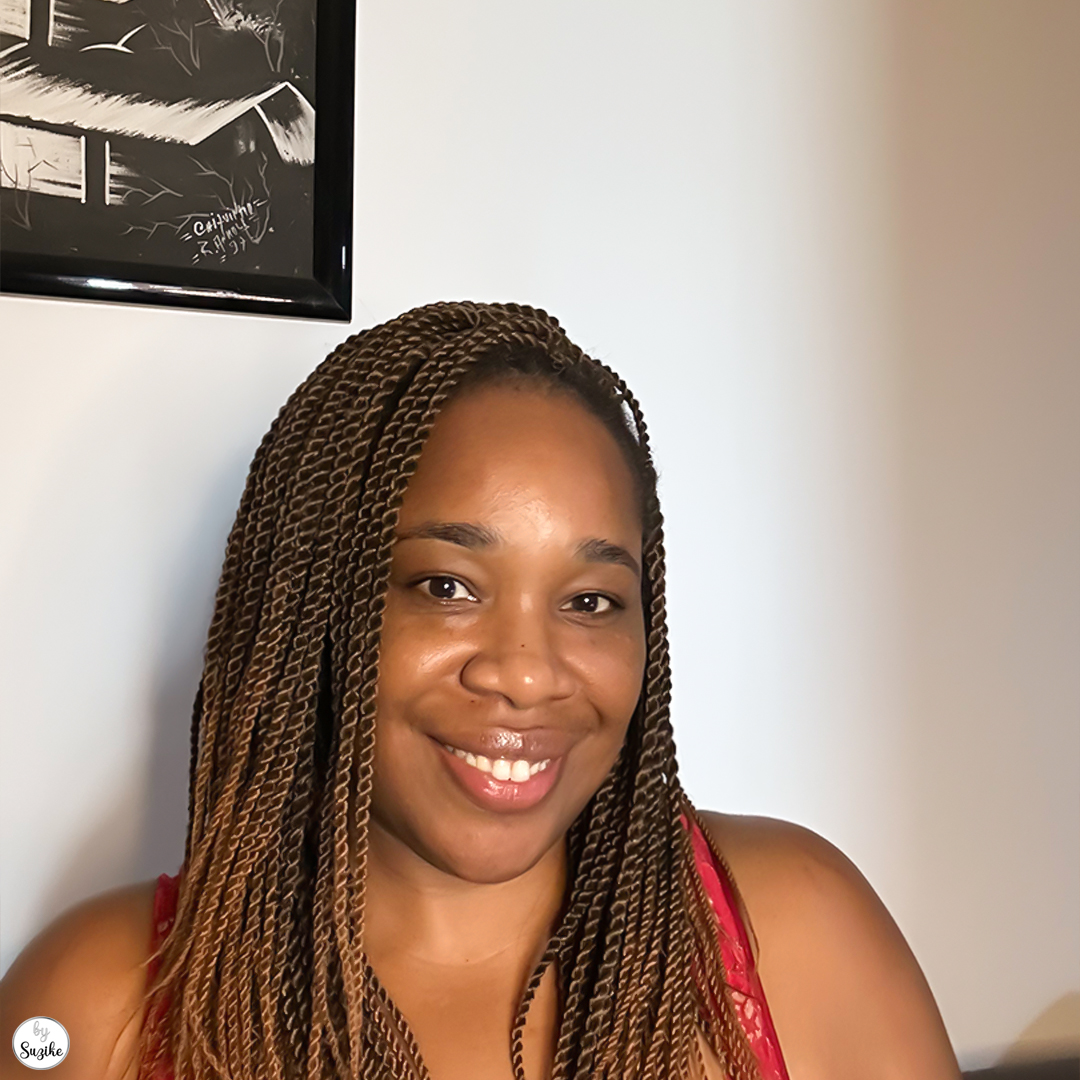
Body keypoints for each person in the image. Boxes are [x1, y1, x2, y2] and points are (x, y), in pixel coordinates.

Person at [0, 302, 961, 1080]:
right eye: (446, 587)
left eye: (590, 600)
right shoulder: (94, 1007)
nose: (530, 673)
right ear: (311, 609)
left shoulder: (800, 931)